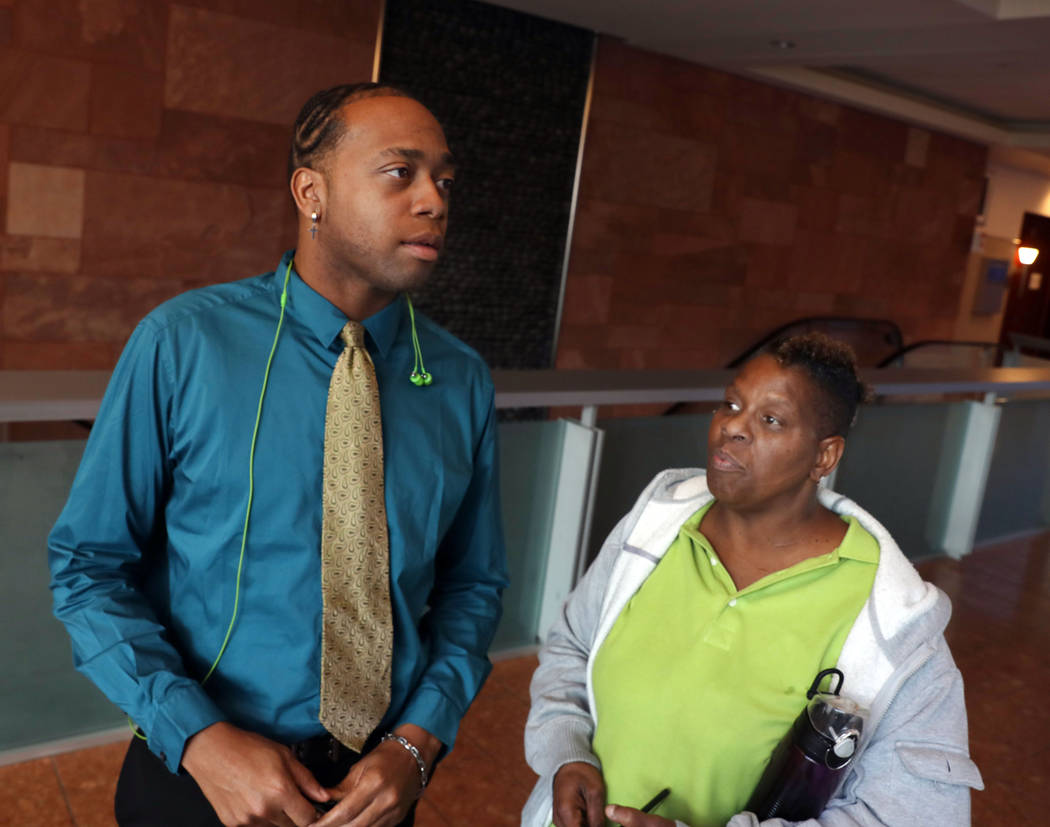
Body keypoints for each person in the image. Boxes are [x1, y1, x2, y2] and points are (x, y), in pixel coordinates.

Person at [48, 83, 508, 827]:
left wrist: (419, 741)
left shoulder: (459, 379)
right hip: (199, 778)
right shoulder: (183, 343)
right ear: (311, 192)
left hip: (375, 788)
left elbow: (473, 585)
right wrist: (200, 739)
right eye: (401, 173)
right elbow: (88, 567)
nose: (434, 200)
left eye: (445, 181)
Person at [522, 333, 983, 827]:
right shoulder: (656, 527)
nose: (731, 428)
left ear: (824, 457)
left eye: (770, 420)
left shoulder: (895, 622)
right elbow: (571, 647)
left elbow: (917, 815)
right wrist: (568, 752)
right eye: (731, 404)